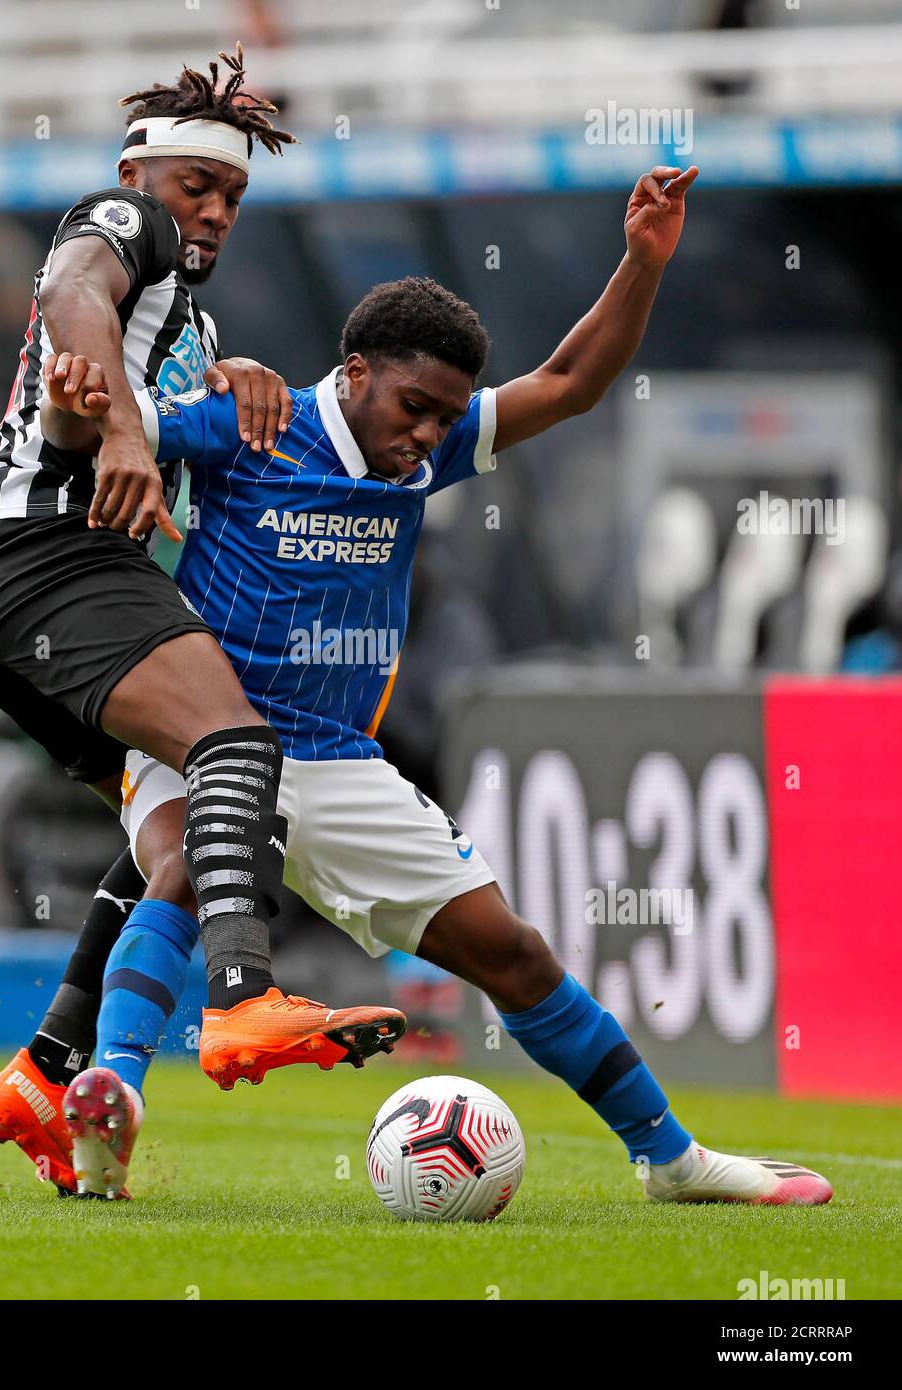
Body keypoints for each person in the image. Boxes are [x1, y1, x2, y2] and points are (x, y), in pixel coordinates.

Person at [44, 164, 829, 1208]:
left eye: (443, 416)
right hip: (204, 727)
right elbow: (111, 421)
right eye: (412, 405)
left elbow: (570, 381)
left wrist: (639, 262)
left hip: (335, 759)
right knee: (185, 862)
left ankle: (671, 1159)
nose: (425, 433)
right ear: (355, 369)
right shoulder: (246, 420)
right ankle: (112, 1094)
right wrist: (92, 405)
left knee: (512, 952)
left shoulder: (433, 445)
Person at [0, 47, 405, 1195]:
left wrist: (228, 379)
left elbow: (142, 365)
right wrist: (124, 440)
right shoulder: (118, 224)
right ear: (140, 174)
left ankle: (47, 1069)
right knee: (237, 744)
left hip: (11, 588)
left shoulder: (183, 321)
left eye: (234, 196)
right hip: (47, 556)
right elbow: (69, 294)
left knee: (178, 841)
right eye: (197, 185)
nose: (214, 209)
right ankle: (242, 999)